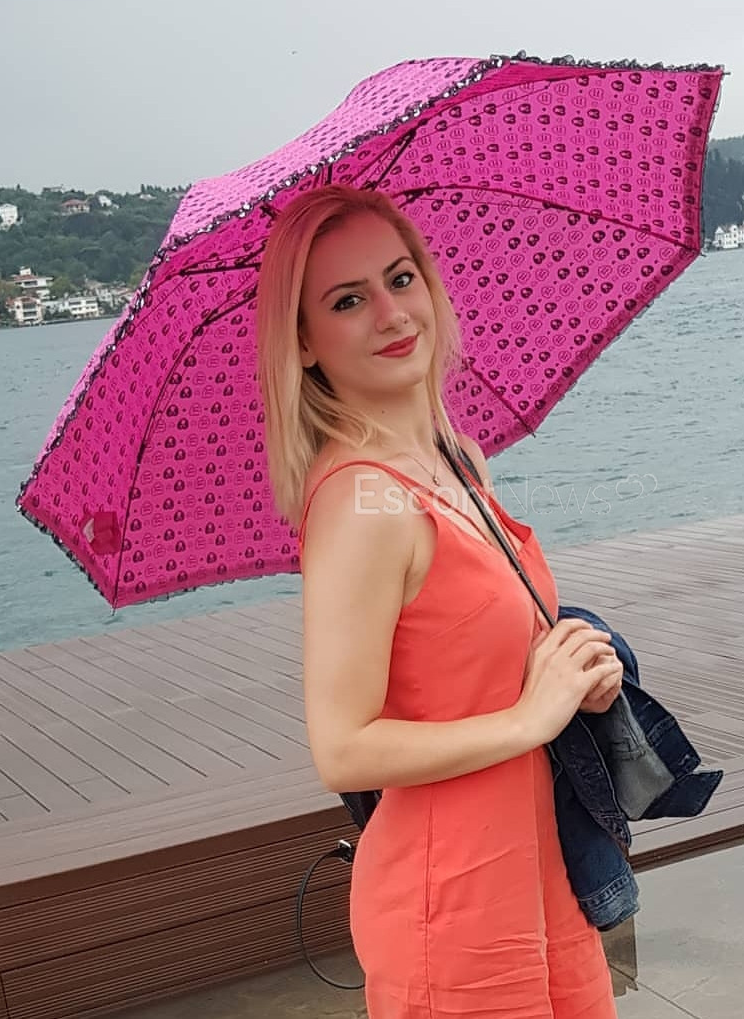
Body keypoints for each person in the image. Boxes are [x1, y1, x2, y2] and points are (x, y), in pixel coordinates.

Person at [256, 185, 625, 1018]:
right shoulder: (359, 505)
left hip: (545, 870)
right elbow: (342, 749)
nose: (391, 314)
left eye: (400, 278)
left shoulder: (457, 458)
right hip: (450, 907)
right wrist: (528, 720)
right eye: (347, 300)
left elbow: (473, 660)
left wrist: (573, 678)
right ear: (304, 342)